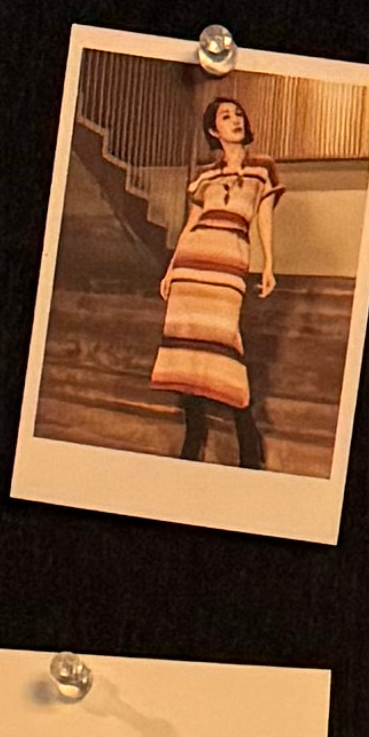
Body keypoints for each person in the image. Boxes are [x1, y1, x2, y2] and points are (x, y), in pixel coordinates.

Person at [149, 90, 280, 469]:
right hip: (193, 264)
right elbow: (191, 224)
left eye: (238, 114)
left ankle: (248, 439)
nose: (236, 120)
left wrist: (269, 264)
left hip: (229, 261)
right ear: (213, 130)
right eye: (226, 116)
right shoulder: (205, 176)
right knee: (188, 345)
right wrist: (172, 268)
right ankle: (194, 433)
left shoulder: (263, 168)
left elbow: (263, 218)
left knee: (225, 341)